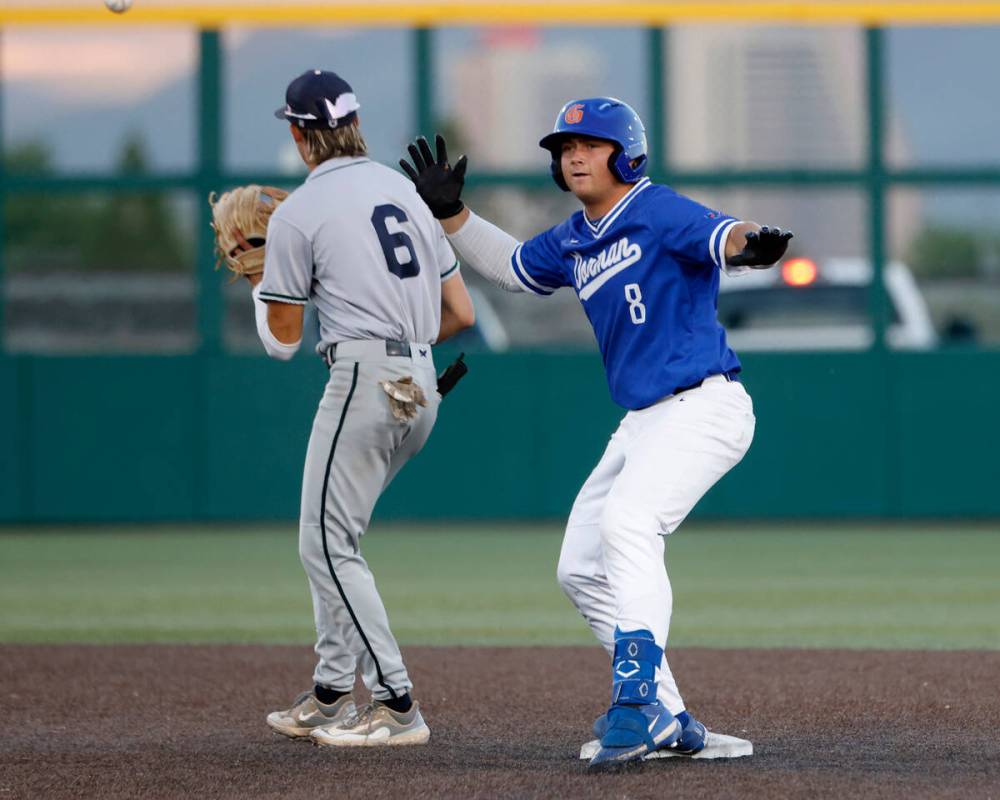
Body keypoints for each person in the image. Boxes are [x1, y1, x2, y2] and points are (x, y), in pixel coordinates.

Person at [400, 98, 791, 768]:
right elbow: (513, 267)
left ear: (626, 152)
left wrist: (750, 245)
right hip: (645, 419)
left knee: (630, 525)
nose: (573, 156)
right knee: (579, 567)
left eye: (589, 143)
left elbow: (724, 233)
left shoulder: (654, 207)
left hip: (705, 405)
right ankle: (666, 715)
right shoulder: (577, 237)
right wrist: (451, 216)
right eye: (563, 147)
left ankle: (634, 703)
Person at [251, 69, 474, 747]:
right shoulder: (404, 193)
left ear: (297, 133)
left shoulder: (298, 212)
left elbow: (281, 345)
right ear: (355, 124)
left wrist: (259, 286)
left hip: (363, 378)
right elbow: (460, 313)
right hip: (422, 382)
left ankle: (396, 705)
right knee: (336, 541)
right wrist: (403, 356)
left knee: (324, 541)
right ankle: (327, 692)